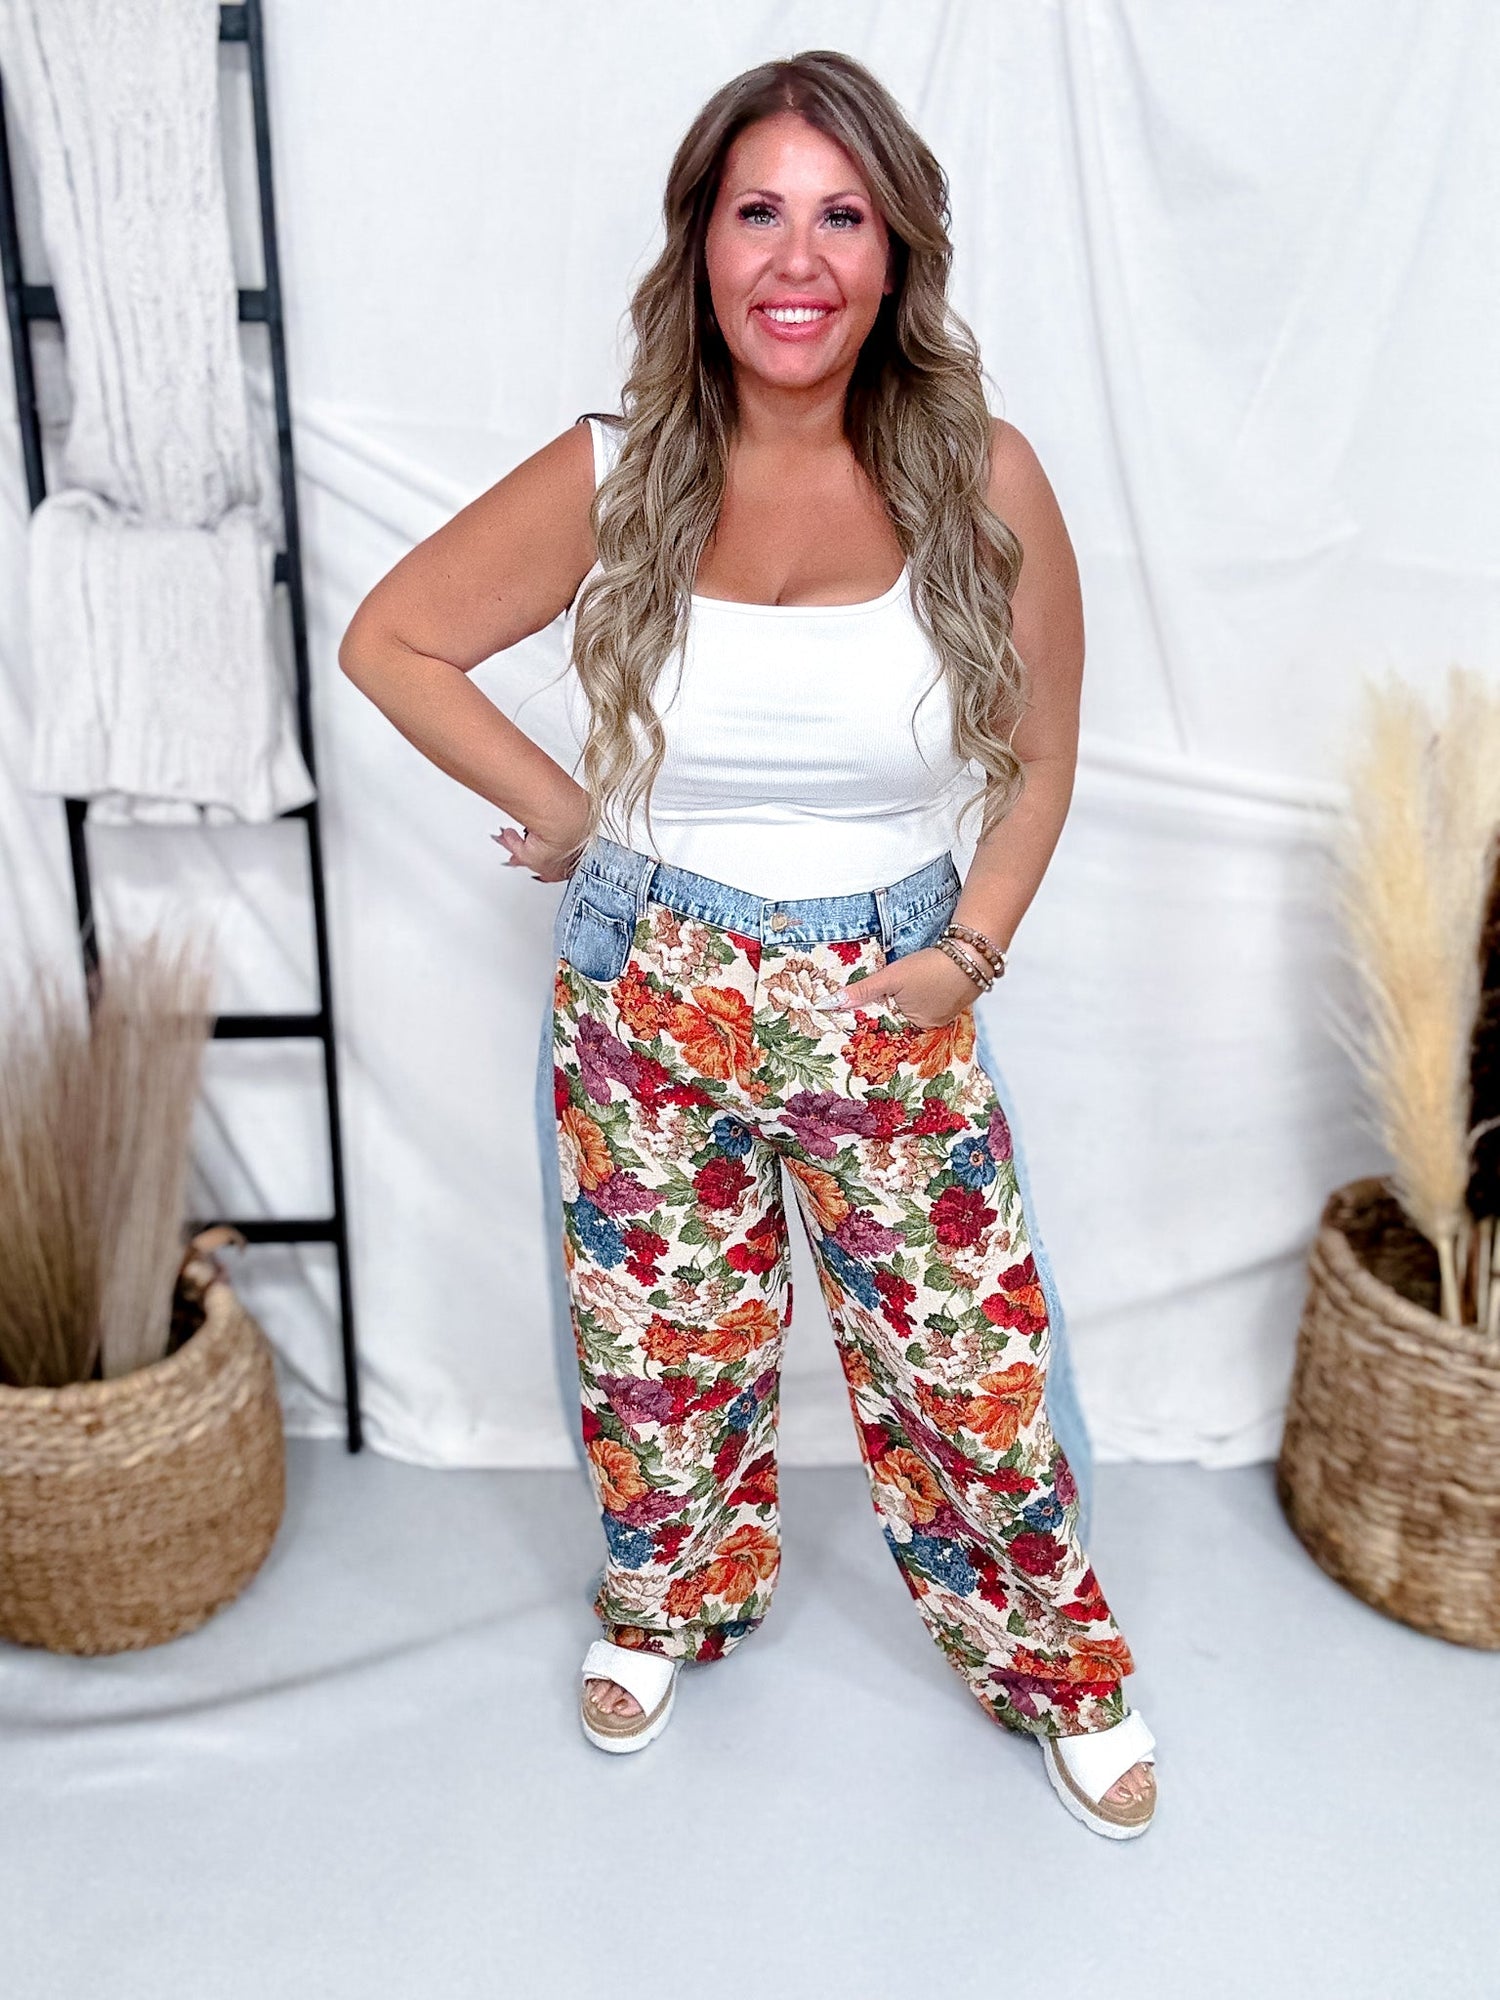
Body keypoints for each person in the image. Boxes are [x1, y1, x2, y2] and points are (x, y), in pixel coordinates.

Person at [338, 48, 1156, 1839]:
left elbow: (1041, 758)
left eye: (841, 216)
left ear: (896, 251)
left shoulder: (984, 474)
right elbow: (392, 639)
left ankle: (1055, 1662)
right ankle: (669, 1600)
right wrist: (574, 813)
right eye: (758, 211)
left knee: (967, 1372)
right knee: (666, 1353)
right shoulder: (618, 469)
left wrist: (970, 956)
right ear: (701, 245)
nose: (798, 259)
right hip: (650, 989)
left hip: (890, 989)